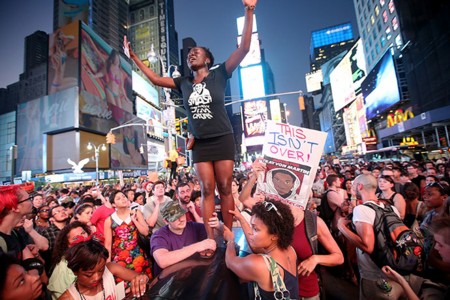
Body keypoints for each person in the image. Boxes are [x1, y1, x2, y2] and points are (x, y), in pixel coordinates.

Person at [123, 0, 257, 253]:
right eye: (189, 53)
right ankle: (209, 240)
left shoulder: (221, 73)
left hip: (223, 138)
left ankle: (227, 237)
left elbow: (245, 48)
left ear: (208, 59)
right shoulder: (182, 82)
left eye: (197, 52)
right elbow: (153, 78)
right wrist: (133, 57)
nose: (191, 54)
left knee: (226, 187)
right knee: (207, 189)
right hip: (201, 143)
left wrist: (249, 10)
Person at [338, 174, 410, 299]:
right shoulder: (391, 208)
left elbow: (367, 246)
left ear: (360, 186)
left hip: (375, 276)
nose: (352, 188)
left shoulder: (361, 209)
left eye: (354, 185)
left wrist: (341, 227)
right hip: (396, 271)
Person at [224, 200, 299, 299]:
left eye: (255, 229)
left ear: (275, 235)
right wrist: (241, 218)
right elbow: (253, 242)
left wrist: (230, 240)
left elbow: (230, 262)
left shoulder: (259, 264)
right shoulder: (290, 250)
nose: (251, 231)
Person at [59, 239, 150, 300]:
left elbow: (143, 277)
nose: (97, 277)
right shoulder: (68, 297)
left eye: (101, 270)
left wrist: (141, 279)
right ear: (75, 272)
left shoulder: (110, 268)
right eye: (89, 274)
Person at [150, 201, 219, 276]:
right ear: (166, 221)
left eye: (182, 214)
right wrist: (198, 246)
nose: (181, 219)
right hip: (167, 280)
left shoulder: (193, 226)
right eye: (175, 218)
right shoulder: (159, 236)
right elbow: (162, 260)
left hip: (190, 276)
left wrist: (217, 226)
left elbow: (217, 234)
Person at [103, 190, 151, 278]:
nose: (123, 199)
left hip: (138, 254)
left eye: (123, 197)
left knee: (142, 281)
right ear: (113, 204)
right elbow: (108, 244)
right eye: (118, 198)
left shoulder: (136, 212)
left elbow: (145, 232)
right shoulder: (109, 220)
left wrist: (134, 220)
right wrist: (108, 265)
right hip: (120, 258)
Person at [47, 222, 91, 299]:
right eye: (75, 238)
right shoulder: (64, 267)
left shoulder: (93, 255)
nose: (82, 238)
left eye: (83, 233)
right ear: (67, 245)